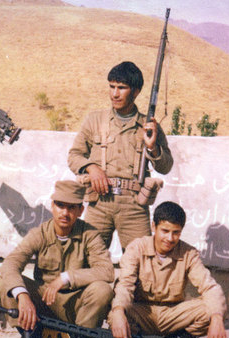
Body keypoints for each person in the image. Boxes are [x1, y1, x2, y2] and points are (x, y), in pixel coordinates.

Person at [0, 180, 114, 338]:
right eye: (60, 205)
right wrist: (23, 296)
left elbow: (106, 271)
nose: (64, 213)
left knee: (102, 290)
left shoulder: (90, 235)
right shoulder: (40, 234)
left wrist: (66, 277)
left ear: (80, 210)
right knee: (6, 283)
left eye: (71, 207)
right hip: (43, 302)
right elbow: (10, 264)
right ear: (52, 206)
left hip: (75, 307)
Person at [109, 201, 227, 338]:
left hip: (172, 314)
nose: (170, 238)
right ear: (154, 227)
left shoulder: (189, 254)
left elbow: (209, 287)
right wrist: (119, 311)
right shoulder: (137, 248)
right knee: (115, 312)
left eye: (176, 232)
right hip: (143, 313)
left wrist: (217, 317)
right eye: (165, 231)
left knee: (213, 308)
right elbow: (125, 284)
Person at [68, 61, 173, 250]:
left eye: (122, 88)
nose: (114, 94)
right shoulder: (94, 120)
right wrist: (91, 168)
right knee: (88, 257)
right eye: (112, 86)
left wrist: (153, 148)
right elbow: (74, 156)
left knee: (141, 259)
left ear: (136, 91)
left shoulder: (148, 126)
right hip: (99, 202)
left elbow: (166, 167)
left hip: (134, 206)